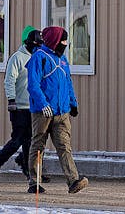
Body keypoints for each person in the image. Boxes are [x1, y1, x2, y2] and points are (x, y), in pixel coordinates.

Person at [25, 25, 88, 195]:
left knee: (64, 146)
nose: (66, 44)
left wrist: (73, 103)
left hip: (62, 112)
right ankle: (34, 181)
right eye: (63, 40)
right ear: (55, 41)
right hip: (43, 112)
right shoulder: (39, 58)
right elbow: (33, 85)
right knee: (38, 145)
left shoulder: (62, 59)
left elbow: (68, 82)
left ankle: (73, 180)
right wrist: (43, 104)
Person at [0, 26, 41, 180]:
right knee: (17, 140)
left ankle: (28, 169)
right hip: (18, 106)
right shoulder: (17, 57)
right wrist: (11, 99)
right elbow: (9, 80)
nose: (38, 48)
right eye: (37, 45)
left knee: (30, 141)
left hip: (33, 106)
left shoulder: (38, 57)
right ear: (29, 43)